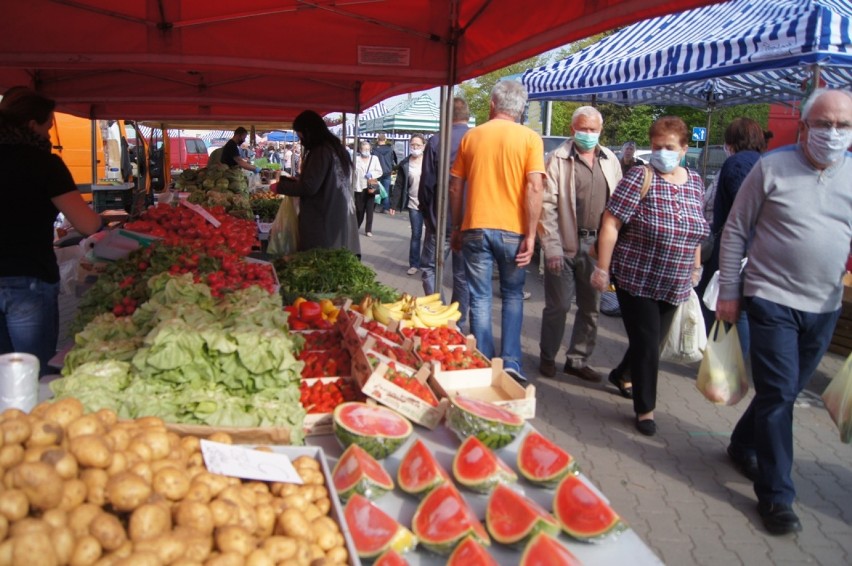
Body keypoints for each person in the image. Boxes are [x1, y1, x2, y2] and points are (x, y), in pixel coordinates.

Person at [717, 88, 852, 536]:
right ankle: (777, 496)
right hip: (770, 298)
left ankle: (741, 443)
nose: (833, 133)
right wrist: (730, 293)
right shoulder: (771, 167)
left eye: (843, 125)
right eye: (825, 124)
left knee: (785, 391)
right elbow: (735, 230)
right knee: (779, 395)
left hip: (825, 306)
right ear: (805, 125)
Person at [592, 116, 708, 436]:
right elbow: (611, 223)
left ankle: (621, 374)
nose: (662, 153)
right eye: (657, 146)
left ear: (684, 150)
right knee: (646, 343)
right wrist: (602, 268)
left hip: (676, 279)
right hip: (637, 277)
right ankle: (646, 409)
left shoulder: (696, 182)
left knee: (652, 342)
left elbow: (695, 229)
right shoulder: (640, 177)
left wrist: (696, 267)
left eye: (669, 147)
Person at [0, 87, 103, 375]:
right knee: (33, 370)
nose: (48, 136)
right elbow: (87, 225)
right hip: (27, 276)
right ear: (32, 124)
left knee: (3, 375)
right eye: (48, 127)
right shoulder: (43, 163)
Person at [449, 80, 545, 381]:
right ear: (520, 109)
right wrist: (531, 234)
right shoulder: (531, 139)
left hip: (475, 227)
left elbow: (455, 186)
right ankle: (512, 363)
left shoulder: (472, 136)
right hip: (513, 231)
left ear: (492, 104)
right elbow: (534, 187)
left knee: (479, 297)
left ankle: (482, 362)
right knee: (513, 296)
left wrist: (456, 226)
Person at [538, 106, 623, 383]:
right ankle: (548, 357)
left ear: (601, 131)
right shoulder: (557, 158)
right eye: (583, 129)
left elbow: (619, 205)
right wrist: (550, 246)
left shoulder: (610, 159)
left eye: (593, 130)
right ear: (573, 130)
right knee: (559, 306)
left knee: (591, 307)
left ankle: (577, 360)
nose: (589, 134)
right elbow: (546, 207)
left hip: (597, 245)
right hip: (563, 243)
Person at [696, 117, 768, 347]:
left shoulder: (736, 164)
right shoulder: (767, 162)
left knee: (722, 304)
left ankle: (726, 361)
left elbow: (744, 209)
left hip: (734, 248)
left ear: (731, 142)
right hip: (760, 248)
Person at [274, 110, 359, 255]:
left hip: (322, 219)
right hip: (337, 215)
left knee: (318, 260)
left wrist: (279, 186)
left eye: (301, 136)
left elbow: (309, 187)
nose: (301, 141)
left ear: (308, 131)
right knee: (334, 257)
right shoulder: (336, 149)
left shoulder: (320, 151)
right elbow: (321, 181)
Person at [419, 97, 471, 330]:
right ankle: (458, 320)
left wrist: (426, 212)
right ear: (467, 116)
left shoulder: (437, 141)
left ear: (446, 116)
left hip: (441, 219)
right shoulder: (476, 140)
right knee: (462, 275)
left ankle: (437, 314)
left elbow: (427, 183)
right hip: (470, 220)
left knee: (430, 267)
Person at [390, 134, 426, 275]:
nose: (415, 147)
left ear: (424, 146)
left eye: (418, 145)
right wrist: (393, 205)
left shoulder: (429, 161)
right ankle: (414, 264)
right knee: (416, 235)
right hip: (413, 204)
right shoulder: (405, 164)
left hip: (429, 205)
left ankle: (428, 264)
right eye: (413, 145)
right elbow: (399, 185)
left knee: (431, 236)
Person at [353, 140, 383, 237]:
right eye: (364, 149)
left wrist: (371, 174)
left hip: (371, 185)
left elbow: (380, 171)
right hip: (359, 187)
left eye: (368, 149)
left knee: (370, 210)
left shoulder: (374, 158)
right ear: (360, 149)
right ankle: (356, 227)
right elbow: (352, 173)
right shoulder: (356, 159)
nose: (366, 151)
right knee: (359, 209)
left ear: (370, 149)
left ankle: (368, 230)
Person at [373, 133, 397, 213]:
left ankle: (375, 206)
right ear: (385, 140)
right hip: (387, 172)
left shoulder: (374, 149)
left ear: (377, 140)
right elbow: (393, 160)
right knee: (386, 190)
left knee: (375, 189)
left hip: (376, 172)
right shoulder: (390, 149)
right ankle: (385, 208)